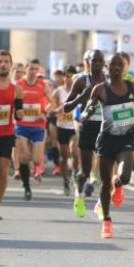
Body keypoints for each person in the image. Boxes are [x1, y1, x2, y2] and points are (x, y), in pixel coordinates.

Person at [81, 53, 134, 238]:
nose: (116, 67)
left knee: (123, 176)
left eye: (119, 64)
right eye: (112, 64)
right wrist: (87, 113)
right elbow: (88, 108)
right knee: (105, 183)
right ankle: (106, 221)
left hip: (125, 138)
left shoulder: (132, 87)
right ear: (106, 67)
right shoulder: (100, 89)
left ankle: (120, 184)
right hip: (106, 139)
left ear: (124, 67)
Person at [63, 50, 106, 217]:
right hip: (87, 128)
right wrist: (82, 97)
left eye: (100, 61)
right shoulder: (81, 81)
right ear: (88, 62)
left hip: (105, 128)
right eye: (94, 60)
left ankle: (102, 205)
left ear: (104, 63)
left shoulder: (108, 82)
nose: (97, 64)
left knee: (105, 172)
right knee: (86, 171)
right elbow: (66, 108)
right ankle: (79, 196)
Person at [0, 50, 24, 219]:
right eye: (0, 61)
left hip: (6, 134)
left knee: (2, 170)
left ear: (10, 64)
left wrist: (20, 114)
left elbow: (19, 112)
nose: (3, 64)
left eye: (6, 61)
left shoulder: (16, 89)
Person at [15, 59, 54, 200]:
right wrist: (17, 112)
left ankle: (37, 168)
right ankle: (27, 187)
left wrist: (44, 113)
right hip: (22, 125)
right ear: (26, 69)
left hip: (38, 126)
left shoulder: (43, 85)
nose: (33, 72)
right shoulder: (19, 84)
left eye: (35, 69)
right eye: (30, 68)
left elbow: (52, 103)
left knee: (37, 159)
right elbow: (12, 102)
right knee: (24, 156)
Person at [52, 65, 80, 200]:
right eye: (67, 76)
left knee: (74, 153)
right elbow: (50, 107)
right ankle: (65, 181)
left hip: (74, 128)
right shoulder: (58, 92)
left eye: (72, 77)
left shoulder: (80, 92)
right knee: (64, 157)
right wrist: (57, 109)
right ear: (64, 77)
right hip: (62, 127)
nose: (69, 79)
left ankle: (74, 176)